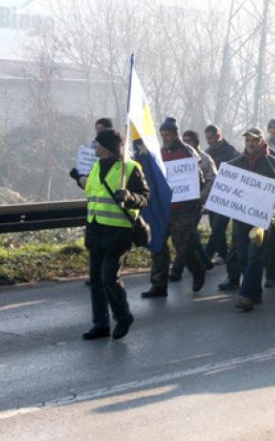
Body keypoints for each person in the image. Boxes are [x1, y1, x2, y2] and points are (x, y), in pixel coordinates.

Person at [81, 129, 150, 340]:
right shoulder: (95, 167)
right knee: (96, 280)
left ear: (108, 147)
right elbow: (93, 194)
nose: (94, 146)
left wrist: (129, 196)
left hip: (118, 232)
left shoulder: (129, 168)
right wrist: (78, 179)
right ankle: (100, 324)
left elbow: (145, 197)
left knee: (109, 277)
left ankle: (123, 316)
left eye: (98, 143)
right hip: (96, 230)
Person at [142, 117, 206, 298]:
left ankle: (197, 270)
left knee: (183, 247)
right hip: (163, 209)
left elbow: (198, 180)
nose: (165, 138)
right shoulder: (159, 153)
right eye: (162, 135)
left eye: (168, 134)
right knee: (158, 246)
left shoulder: (188, 153)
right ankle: (158, 285)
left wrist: (190, 195)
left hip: (183, 209)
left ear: (175, 134)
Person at [228, 128, 275, 311]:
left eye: (254, 140)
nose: (251, 144)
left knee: (255, 255)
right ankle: (255, 293)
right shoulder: (237, 162)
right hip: (241, 216)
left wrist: (269, 205)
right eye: (248, 141)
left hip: (261, 217)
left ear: (261, 141)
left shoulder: (272, 162)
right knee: (244, 255)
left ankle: (246, 296)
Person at [168, 130, 217, 278]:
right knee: (190, 235)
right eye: (184, 140)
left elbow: (212, 180)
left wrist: (200, 198)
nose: (186, 143)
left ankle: (177, 270)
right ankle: (206, 261)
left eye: (189, 140)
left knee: (185, 237)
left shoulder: (205, 159)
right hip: (178, 205)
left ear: (196, 143)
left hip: (195, 205)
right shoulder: (177, 156)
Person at [204, 124, 239, 267]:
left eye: (211, 138)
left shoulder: (230, 151)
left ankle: (205, 257)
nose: (209, 141)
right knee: (214, 225)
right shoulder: (207, 153)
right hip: (213, 195)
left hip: (227, 195)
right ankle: (223, 253)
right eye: (207, 138)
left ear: (219, 135)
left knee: (219, 226)